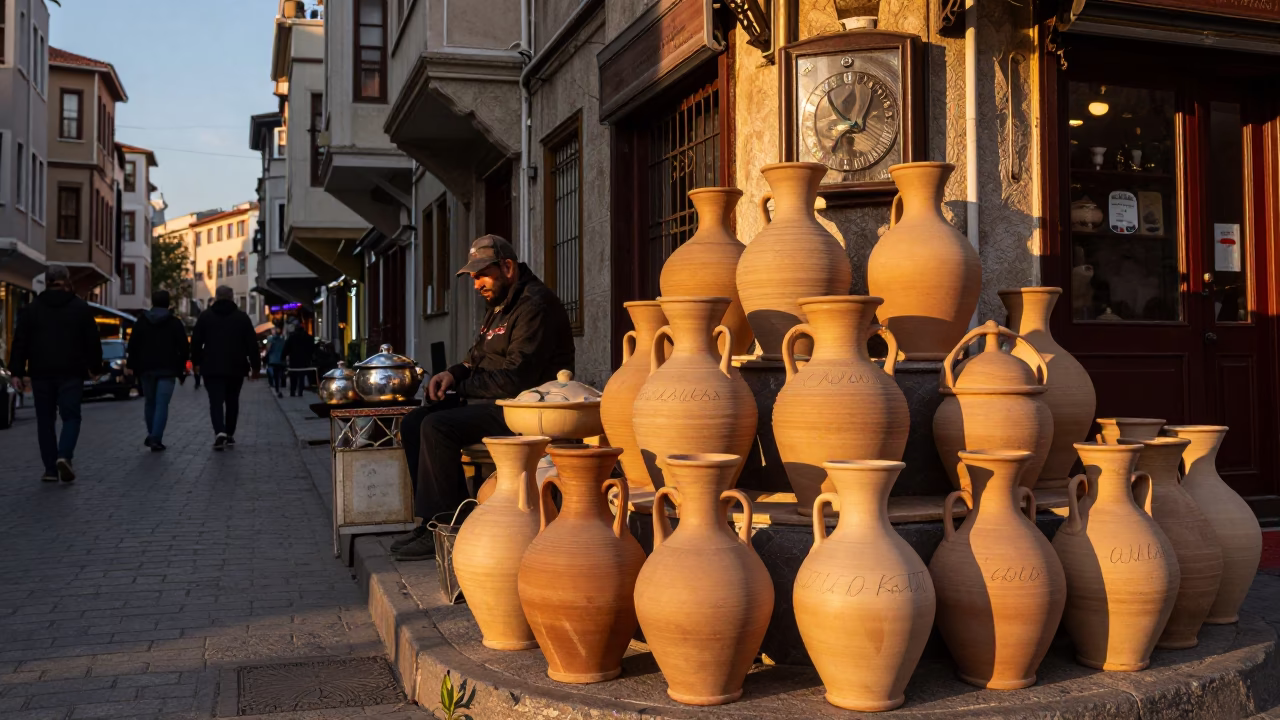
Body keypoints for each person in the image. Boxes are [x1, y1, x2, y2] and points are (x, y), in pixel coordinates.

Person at [391, 235, 574, 561]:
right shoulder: (499, 306)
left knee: (437, 427)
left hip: (528, 407)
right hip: (496, 403)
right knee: (414, 422)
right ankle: (433, 520)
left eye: (482, 275)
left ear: (507, 267)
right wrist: (452, 374)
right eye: (474, 277)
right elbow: (474, 360)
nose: (477, 284)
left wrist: (459, 388)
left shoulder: (534, 305)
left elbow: (516, 379)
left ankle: (451, 523)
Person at [7, 264, 102, 483]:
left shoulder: (33, 309)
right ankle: (64, 455)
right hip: (71, 372)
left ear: (47, 281)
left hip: (41, 373)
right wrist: (95, 368)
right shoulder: (79, 307)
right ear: (67, 281)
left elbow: (20, 342)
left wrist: (17, 372)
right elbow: (92, 341)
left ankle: (50, 469)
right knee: (71, 416)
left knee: (45, 420)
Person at [191, 285, 260, 449]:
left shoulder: (205, 317)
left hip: (211, 366)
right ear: (232, 297)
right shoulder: (242, 318)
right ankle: (229, 432)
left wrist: (196, 363)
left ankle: (219, 431)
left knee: (215, 401)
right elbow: (252, 344)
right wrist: (255, 367)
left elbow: (196, 342)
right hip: (236, 367)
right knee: (232, 400)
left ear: (215, 297)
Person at [124, 290, 190, 451]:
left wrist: (132, 365)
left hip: (146, 368)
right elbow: (183, 347)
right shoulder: (174, 323)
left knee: (150, 402)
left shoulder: (142, 321)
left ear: (152, 302)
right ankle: (156, 437)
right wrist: (182, 369)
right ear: (168, 303)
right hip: (168, 369)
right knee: (162, 404)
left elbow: (133, 345)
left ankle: (152, 433)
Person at [283, 323, 315, 397]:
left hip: (294, 361)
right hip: (304, 361)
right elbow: (312, 349)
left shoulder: (291, 337)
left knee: (293, 377)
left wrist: (283, 357)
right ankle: (300, 391)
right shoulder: (308, 338)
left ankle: (293, 391)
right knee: (302, 377)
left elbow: (286, 348)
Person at [264, 325, 286, 398]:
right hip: (281, 360)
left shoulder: (270, 339)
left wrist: (266, 355)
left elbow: (268, 349)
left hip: (273, 360)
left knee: (275, 375)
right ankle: (280, 388)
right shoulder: (282, 339)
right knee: (280, 374)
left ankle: (277, 389)